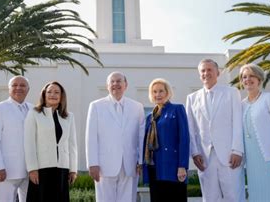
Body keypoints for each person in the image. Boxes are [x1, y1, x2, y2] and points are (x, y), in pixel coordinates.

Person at [186, 59, 245, 201]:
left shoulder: (232, 92)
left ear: (217, 73)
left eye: (209, 70)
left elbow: (238, 122)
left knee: (234, 196)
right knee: (210, 197)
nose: (206, 73)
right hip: (205, 158)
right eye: (203, 71)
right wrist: (194, 153)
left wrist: (237, 150)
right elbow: (191, 128)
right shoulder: (192, 98)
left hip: (230, 155)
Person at [85, 72, 145, 202]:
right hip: (103, 165)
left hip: (130, 164)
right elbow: (91, 137)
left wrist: (141, 161)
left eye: (119, 81)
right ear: (107, 86)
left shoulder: (137, 107)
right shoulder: (96, 106)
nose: (115, 84)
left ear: (126, 85)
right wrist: (92, 163)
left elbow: (141, 136)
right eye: (112, 81)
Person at [239, 64, 270, 201]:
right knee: (256, 196)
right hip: (252, 162)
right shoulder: (241, 104)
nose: (247, 79)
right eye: (244, 77)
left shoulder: (269, 98)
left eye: (251, 76)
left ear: (259, 79)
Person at [24, 81, 77, 202]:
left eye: (56, 92)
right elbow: (29, 143)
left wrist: (73, 169)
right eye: (49, 92)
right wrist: (32, 169)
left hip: (62, 168)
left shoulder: (69, 116)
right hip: (41, 168)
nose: (53, 94)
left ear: (61, 96)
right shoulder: (34, 113)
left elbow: (72, 144)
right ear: (44, 95)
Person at [0, 76, 33, 202]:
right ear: (9, 89)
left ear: (28, 89)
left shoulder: (34, 109)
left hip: (31, 170)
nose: (18, 88)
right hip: (6, 170)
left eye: (22, 85)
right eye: (14, 85)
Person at [143, 78, 190, 202]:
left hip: (173, 167)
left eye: (161, 91)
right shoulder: (150, 117)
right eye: (154, 92)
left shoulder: (177, 109)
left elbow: (184, 139)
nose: (157, 94)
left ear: (167, 92)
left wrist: (182, 166)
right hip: (155, 167)